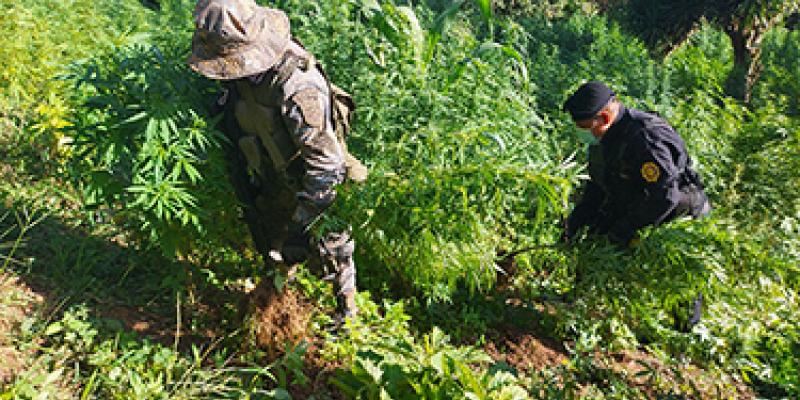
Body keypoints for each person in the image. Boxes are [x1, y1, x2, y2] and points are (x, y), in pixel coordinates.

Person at [188, 0, 367, 324]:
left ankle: (347, 318)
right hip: (272, 171)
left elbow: (327, 168)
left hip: (315, 182)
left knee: (331, 249)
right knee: (272, 243)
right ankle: (279, 300)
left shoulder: (297, 85)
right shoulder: (241, 77)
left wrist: (302, 226)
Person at [562, 81, 710, 247]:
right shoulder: (604, 138)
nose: (581, 133)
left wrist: (621, 232)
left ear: (605, 118)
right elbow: (597, 188)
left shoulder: (645, 140)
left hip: (673, 213)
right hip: (637, 204)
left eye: (584, 127)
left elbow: (665, 197)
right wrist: (573, 225)